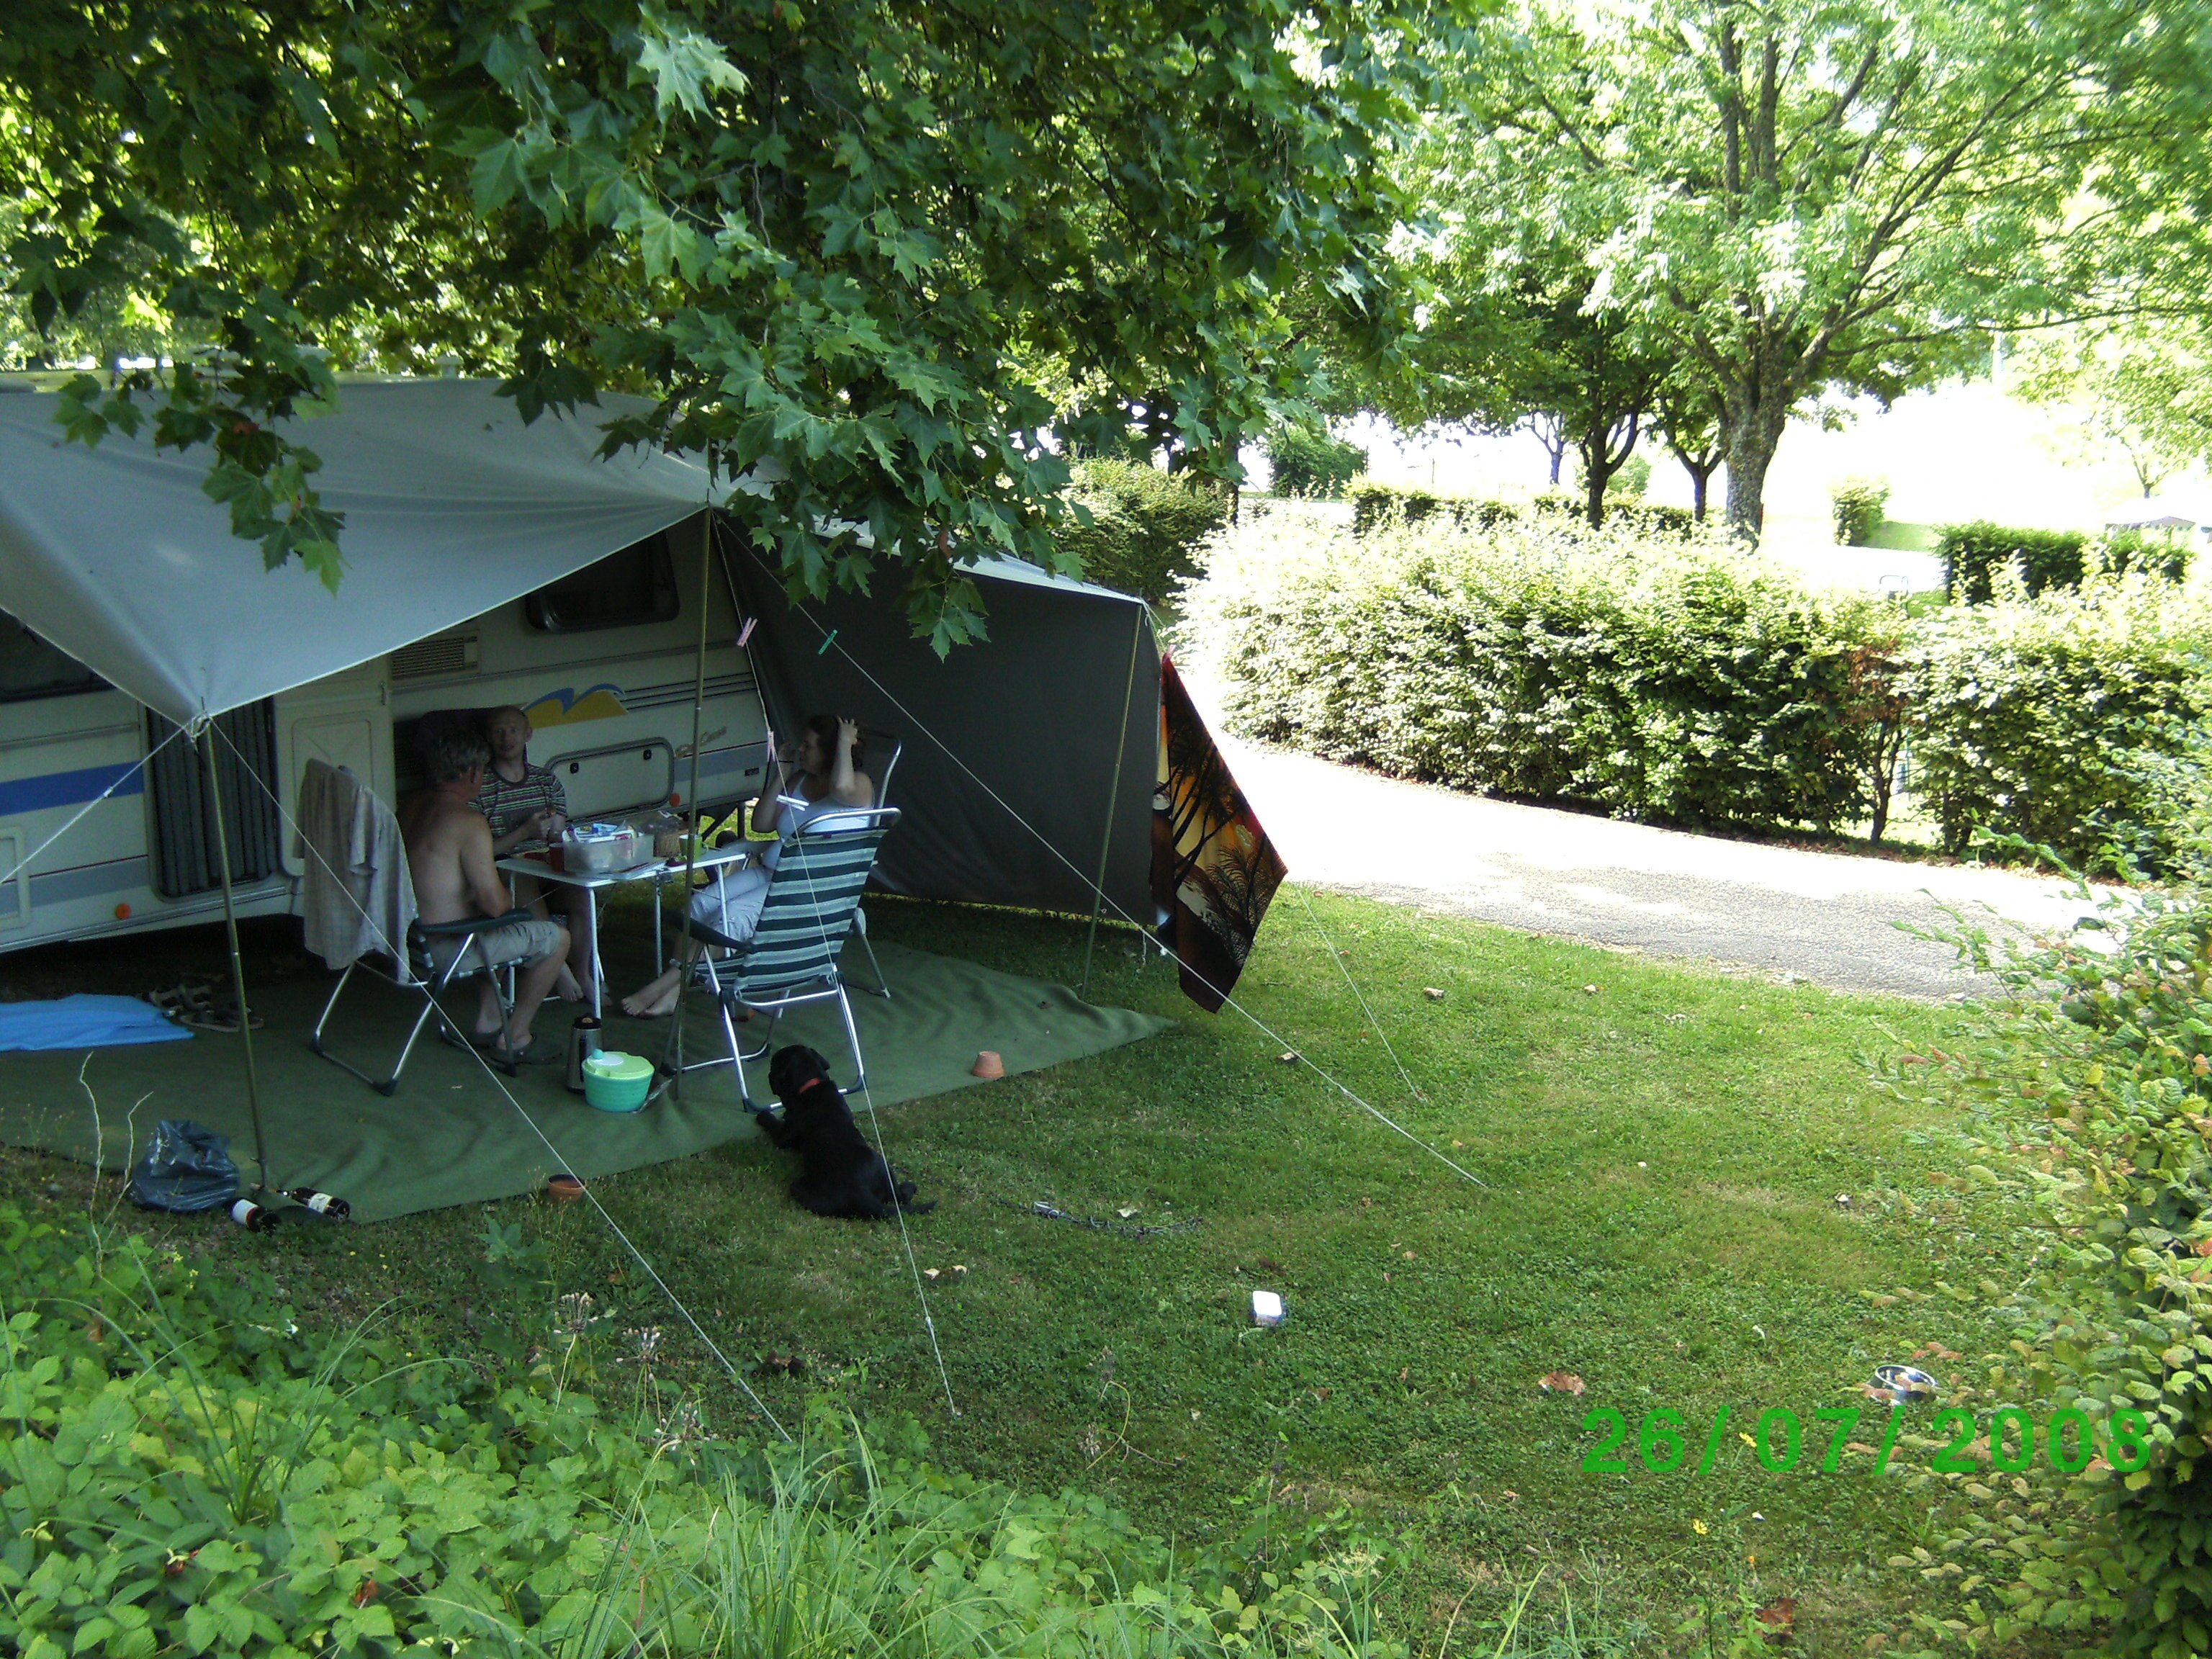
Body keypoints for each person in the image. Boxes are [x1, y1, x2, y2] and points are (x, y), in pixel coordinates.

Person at [621, 715, 873, 1018]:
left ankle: (662, 987)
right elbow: (762, 823)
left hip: (803, 891)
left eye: (808, 745)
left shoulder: (859, 784)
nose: (801, 749)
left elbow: (841, 786)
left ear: (831, 752)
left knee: (728, 922)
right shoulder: (800, 780)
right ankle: (675, 993)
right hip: (769, 872)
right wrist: (782, 771)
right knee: (698, 908)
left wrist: (845, 741)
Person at [400, 726, 571, 1064]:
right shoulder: (468, 820)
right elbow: (495, 905)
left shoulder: (409, 806)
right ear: (471, 773)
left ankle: (489, 1020)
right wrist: (512, 901)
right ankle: (516, 1037)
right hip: (449, 948)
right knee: (557, 938)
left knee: (490, 928)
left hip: (411, 942)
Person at [473, 704, 593, 1000]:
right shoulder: (481, 787)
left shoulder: (546, 781)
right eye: (499, 731)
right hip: (507, 870)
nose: (506, 737)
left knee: (583, 895)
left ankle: (582, 972)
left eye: (513, 729)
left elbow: (560, 835)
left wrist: (553, 831)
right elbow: (481, 852)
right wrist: (524, 833)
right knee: (521, 879)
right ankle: (558, 969)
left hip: (547, 864)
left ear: (528, 734)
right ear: (489, 738)